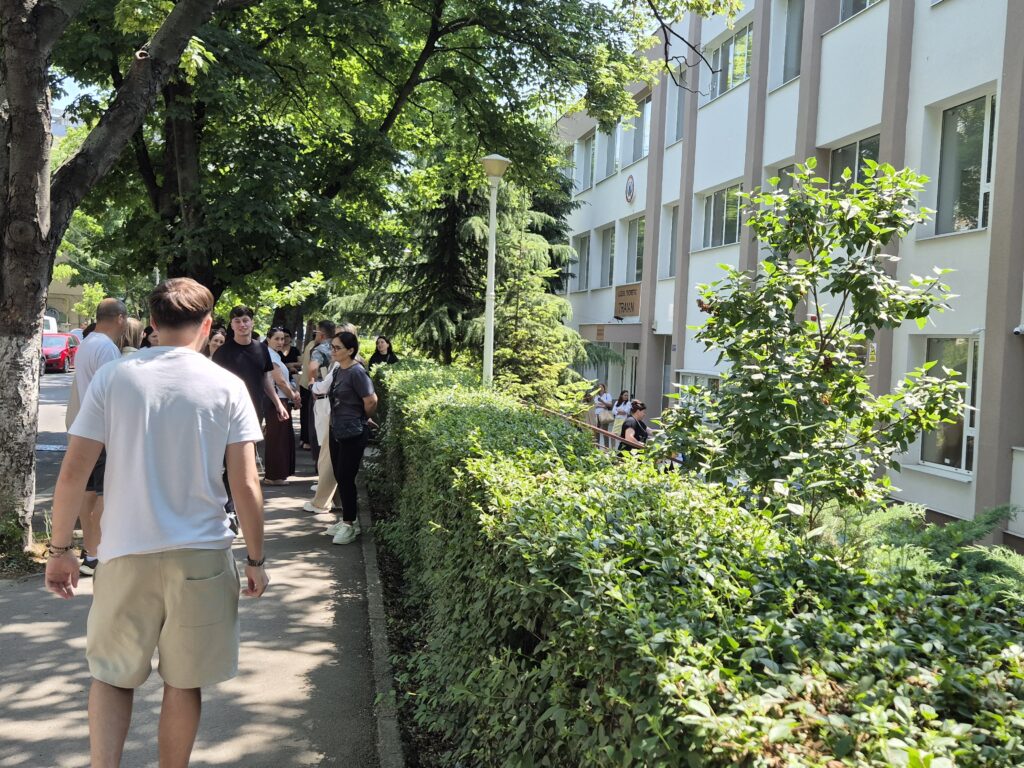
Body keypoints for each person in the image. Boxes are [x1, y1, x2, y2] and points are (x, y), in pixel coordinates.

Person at [44, 277, 269, 768]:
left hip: (124, 550)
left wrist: (60, 551)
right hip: (201, 555)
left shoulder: (114, 377)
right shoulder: (226, 386)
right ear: (208, 325)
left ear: (150, 323)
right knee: (184, 682)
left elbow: (73, 473)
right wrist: (256, 559)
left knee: (111, 675)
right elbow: (246, 484)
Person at [65, 298, 127, 576]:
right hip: (103, 431)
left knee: (88, 492)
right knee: (104, 494)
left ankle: (91, 554)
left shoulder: (87, 343)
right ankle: (100, 552)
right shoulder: (107, 348)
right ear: (120, 318)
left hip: (86, 428)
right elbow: (112, 394)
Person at [327, 331, 377, 545]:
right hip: (337, 429)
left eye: (337, 348)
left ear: (350, 350)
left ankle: (349, 525)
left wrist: (362, 418)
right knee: (340, 475)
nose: (333, 351)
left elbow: (371, 400)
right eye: (332, 346)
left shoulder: (357, 372)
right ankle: (350, 519)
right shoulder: (340, 369)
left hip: (353, 432)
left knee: (346, 477)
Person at [213, 306, 288, 426]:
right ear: (232, 325)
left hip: (255, 409)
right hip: (229, 411)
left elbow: (265, 378)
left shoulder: (262, 349)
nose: (242, 325)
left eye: (245, 320)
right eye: (237, 321)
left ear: (252, 323)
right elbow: (215, 385)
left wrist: (278, 404)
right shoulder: (222, 352)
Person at [263, 327, 299, 486]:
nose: (280, 342)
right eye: (276, 338)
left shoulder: (275, 355)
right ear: (268, 339)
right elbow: (280, 381)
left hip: (281, 399)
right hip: (276, 400)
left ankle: (277, 474)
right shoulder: (271, 355)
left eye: (282, 339)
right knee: (277, 439)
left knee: (281, 438)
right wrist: (294, 397)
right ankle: (273, 475)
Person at [304, 320, 336, 464]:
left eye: (315, 332)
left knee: (317, 431)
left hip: (321, 393)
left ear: (321, 334)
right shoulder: (338, 347)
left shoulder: (320, 349)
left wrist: (312, 383)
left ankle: (320, 466)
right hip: (337, 394)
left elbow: (312, 368)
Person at [592, 383, 614, 447]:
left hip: (604, 415)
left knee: (605, 432)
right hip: (596, 414)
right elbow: (594, 405)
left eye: (602, 387)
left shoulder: (607, 395)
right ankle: (597, 447)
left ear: (604, 388)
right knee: (596, 432)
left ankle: (606, 448)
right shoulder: (596, 396)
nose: (600, 389)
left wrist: (602, 402)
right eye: (599, 387)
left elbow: (610, 405)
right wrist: (602, 405)